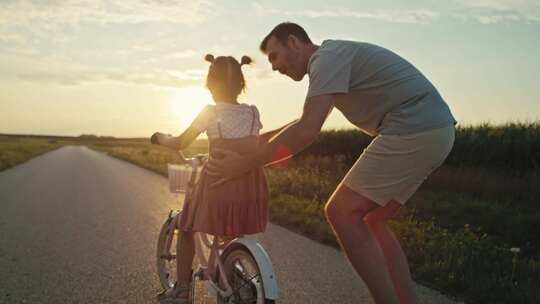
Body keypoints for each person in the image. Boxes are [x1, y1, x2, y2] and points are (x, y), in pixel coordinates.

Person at [206, 22, 456, 304]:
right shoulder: (332, 60)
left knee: (341, 212)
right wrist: (252, 145)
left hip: (413, 128)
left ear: (294, 42)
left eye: (275, 56)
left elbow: (307, 130)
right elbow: (302, 122)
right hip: (436, 131)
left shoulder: (326, 59)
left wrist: (244, 164)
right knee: (373, 220)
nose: (274, 67)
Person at [151, 54, 269, 304]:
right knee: (229, 229)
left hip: (218, 182)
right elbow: (246, 147)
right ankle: (230, 267)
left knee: (186, 226)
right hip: (250, 186)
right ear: (241, 84)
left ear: (209, 84)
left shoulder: (209, 112)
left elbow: (181, 142)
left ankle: (182, 288)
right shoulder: (252, 113)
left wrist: (161, 138)